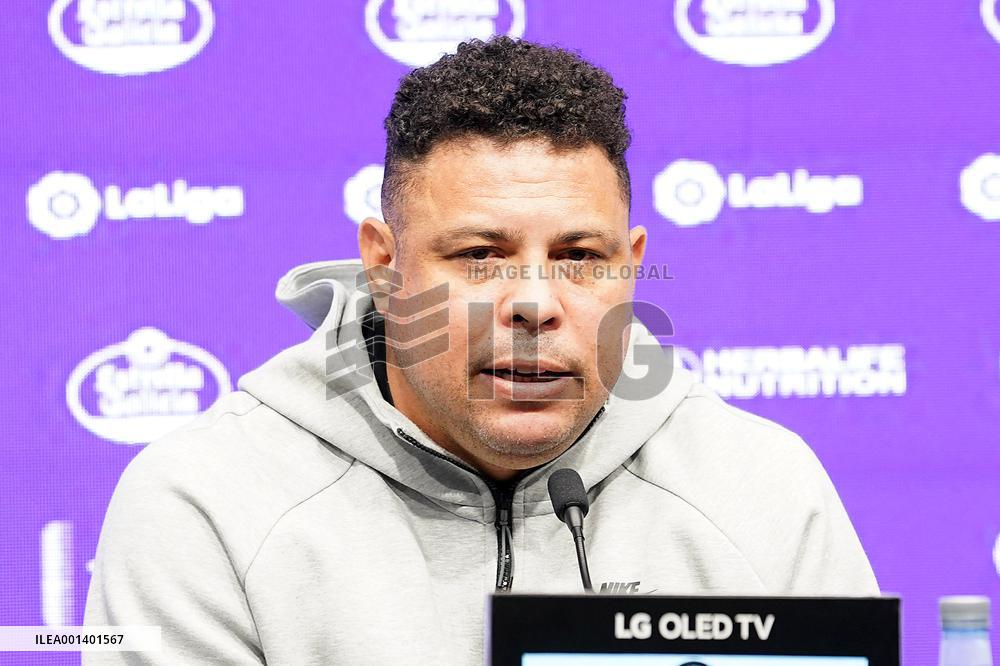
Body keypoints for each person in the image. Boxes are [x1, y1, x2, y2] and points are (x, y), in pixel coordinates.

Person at [84, 36, 879, 664]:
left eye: (579, 257)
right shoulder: (206, 500)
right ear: (383, 263)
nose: (534, 302)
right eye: (478, 255)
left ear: (631, 263)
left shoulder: (762, 489)